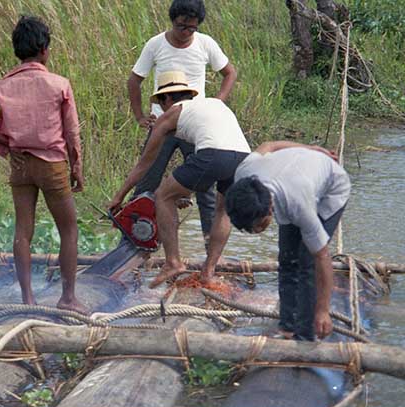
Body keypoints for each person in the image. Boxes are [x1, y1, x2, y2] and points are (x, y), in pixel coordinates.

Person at [0, 16, 87, 314]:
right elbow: (71, 132)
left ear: (17, 51)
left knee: (23, 232)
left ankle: (28, 300)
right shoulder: (58, 84)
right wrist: (77, 166)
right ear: (45, 49)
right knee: (69, 230)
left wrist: (7, 143)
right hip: (52, 165)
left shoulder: (3, 86)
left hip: (21, 165)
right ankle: (68, 298)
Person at [109, 71, 251, 288]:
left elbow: (144, 165)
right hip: (243, 156)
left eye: (160, 102)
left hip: (213, 153)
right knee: (222, 210)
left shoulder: (170, 115)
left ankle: (173, 262)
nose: (162, 107)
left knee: (163, 196)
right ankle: (208, 271)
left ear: (167, 99)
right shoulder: (212, 104)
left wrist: (119, 196)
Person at [128, 0, 237, 246]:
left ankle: (211, 249)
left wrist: (216, 102)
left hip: (194, 125)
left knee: (206, 191)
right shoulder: (156, 44)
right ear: (172, 21)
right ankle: (133, 241)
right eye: (181, 27)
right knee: (147, 181)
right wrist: (140, 116)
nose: (186, 32)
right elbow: (134, 80)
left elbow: (230, 72)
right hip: (164, 124)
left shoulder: (205, 43)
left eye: (191, 28)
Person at [222, 141, 350, 340]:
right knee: (287, 259)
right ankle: (288, 327)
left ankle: (305, 335)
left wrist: (323, 310)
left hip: (331, 190)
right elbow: (269, 145)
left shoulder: (297, 204)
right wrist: (309, 148)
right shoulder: (243, 174)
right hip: (296, 173)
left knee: (306, 262)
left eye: (259, 226)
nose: (257, 231)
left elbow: (322, 256)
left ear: (270, 208)